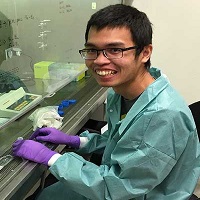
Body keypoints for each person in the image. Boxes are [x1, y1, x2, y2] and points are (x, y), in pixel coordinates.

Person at [12, 4, 200, 200]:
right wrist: (77, 141)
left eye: (115, 50)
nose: (100, 61)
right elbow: (121, 140)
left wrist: (51, 158)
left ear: (145, 53)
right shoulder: (121, 92)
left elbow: (117, 187)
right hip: (119, 183)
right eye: (92, 50)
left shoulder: (162, 115)